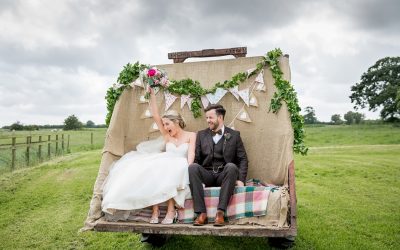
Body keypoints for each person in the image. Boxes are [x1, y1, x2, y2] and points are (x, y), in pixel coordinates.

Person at [101, 89, 196, 224]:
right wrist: (152, 95)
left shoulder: (191, 135)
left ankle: (170, 211)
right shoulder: (167, 136)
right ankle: (155, 211)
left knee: (173, 170)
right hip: (165, 162)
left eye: (167, 124)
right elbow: (155, 115)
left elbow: (191, 152)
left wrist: (190, 165)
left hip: (181, 164)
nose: (164, 126)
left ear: (176, 122)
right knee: (152, 168)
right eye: (163, 124)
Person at [189, 104, 248, 227]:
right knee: (193, 167)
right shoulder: (201, 135)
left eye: (210, 117)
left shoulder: (234, 135)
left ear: (220, 117)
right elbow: (197, 158)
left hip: (224, 175)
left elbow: (243, 159)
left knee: (232, 166)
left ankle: (220, 212)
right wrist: (197, 177)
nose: (208, 121)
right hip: (207, 174)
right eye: (206, 118)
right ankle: (201, 213)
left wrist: (241, 179)